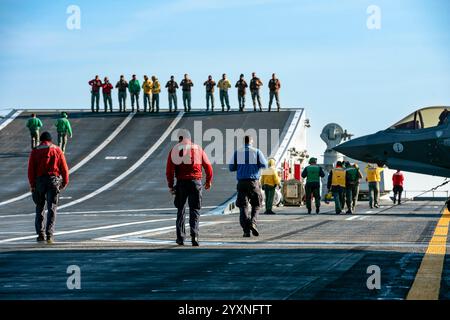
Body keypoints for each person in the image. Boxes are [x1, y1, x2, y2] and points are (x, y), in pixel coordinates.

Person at [166, 130, 213, 247]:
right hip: (196, 182)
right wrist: (208, 181)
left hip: (181, 183)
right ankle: (195, 236)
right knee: (195, 209)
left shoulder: (175, 149)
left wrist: (171, 185)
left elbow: (169, 170)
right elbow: (208, 166)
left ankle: (180, 238)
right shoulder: (198, 148)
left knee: (181, 209)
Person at [28, 131, 69, 244]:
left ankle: (40, 234)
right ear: (50, 140)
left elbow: (31, 170)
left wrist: (32, 185)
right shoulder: (57, 150)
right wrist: (64, 182)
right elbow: (64, 168)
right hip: (53, 181)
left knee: (39, 207)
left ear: (41, 140)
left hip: (39, 181)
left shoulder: (35, 151)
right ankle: (49, 234)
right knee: (52, 208)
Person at [229, 135, 268, 237]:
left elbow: (231, 167)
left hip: (241, 182)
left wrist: (241, 166)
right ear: (251, 142)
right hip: (253, 182)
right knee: (256, 204)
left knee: (243, 206)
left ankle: (246, 231)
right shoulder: (257, 152)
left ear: (243, 142)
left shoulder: (238, 152)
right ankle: (253, 223)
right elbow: (264, 165)